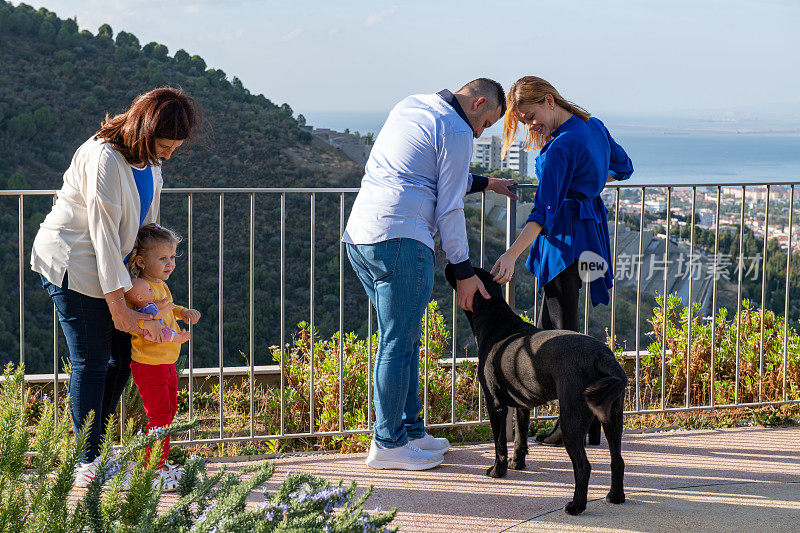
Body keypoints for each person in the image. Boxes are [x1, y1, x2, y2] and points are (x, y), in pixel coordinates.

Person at [343, 78, 518, 470]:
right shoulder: (458, 130)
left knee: (400, 339)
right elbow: (449, 206)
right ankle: (388, 443)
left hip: (362, 237)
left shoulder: (412, 105)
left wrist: (488, 182)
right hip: (403, 239)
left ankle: (411, 431)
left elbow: (424, 174)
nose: (481, 132)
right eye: (487, 123)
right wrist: (463, 270)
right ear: (477, 104)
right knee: (397, 343)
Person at [30, 87, 201, 486]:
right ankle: (86, 462)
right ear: (144, 130)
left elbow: (146, 229)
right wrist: (120, 306)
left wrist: (146, 281)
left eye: (175, 147)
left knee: (120, 363)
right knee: (91, 362)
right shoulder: (104, 157)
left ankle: (101, 450)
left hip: (118, 269)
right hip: (74, 263)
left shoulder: (150, 162)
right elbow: (103, 235)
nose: (169, 155)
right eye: (164, 145)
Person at [490, 76, 633, 446]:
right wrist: (590, 183)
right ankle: (579, 423)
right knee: (546, 332)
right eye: (523, 122)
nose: (529, 126)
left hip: (563, 244)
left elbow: (543, 212)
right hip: (589, 238)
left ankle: (578, 422)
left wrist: (510, 254)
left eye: (530, 116)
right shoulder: (593, 126)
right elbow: (625, 166)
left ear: (549, 100)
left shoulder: (560, 148)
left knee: (563, 340)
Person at [125, 224, 201, 491]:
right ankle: (152, 468)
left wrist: (183, 311)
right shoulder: (140, 286)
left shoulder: (159, 285)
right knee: (159, 415)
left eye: (172, 258)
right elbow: (151, 318)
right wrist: (176, 336)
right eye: (162, 259)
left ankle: (159, 462)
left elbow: (168, 309)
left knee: (167, 414)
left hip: (165, 364)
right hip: (150, 364)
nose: (170, 264)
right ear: (141, 261)